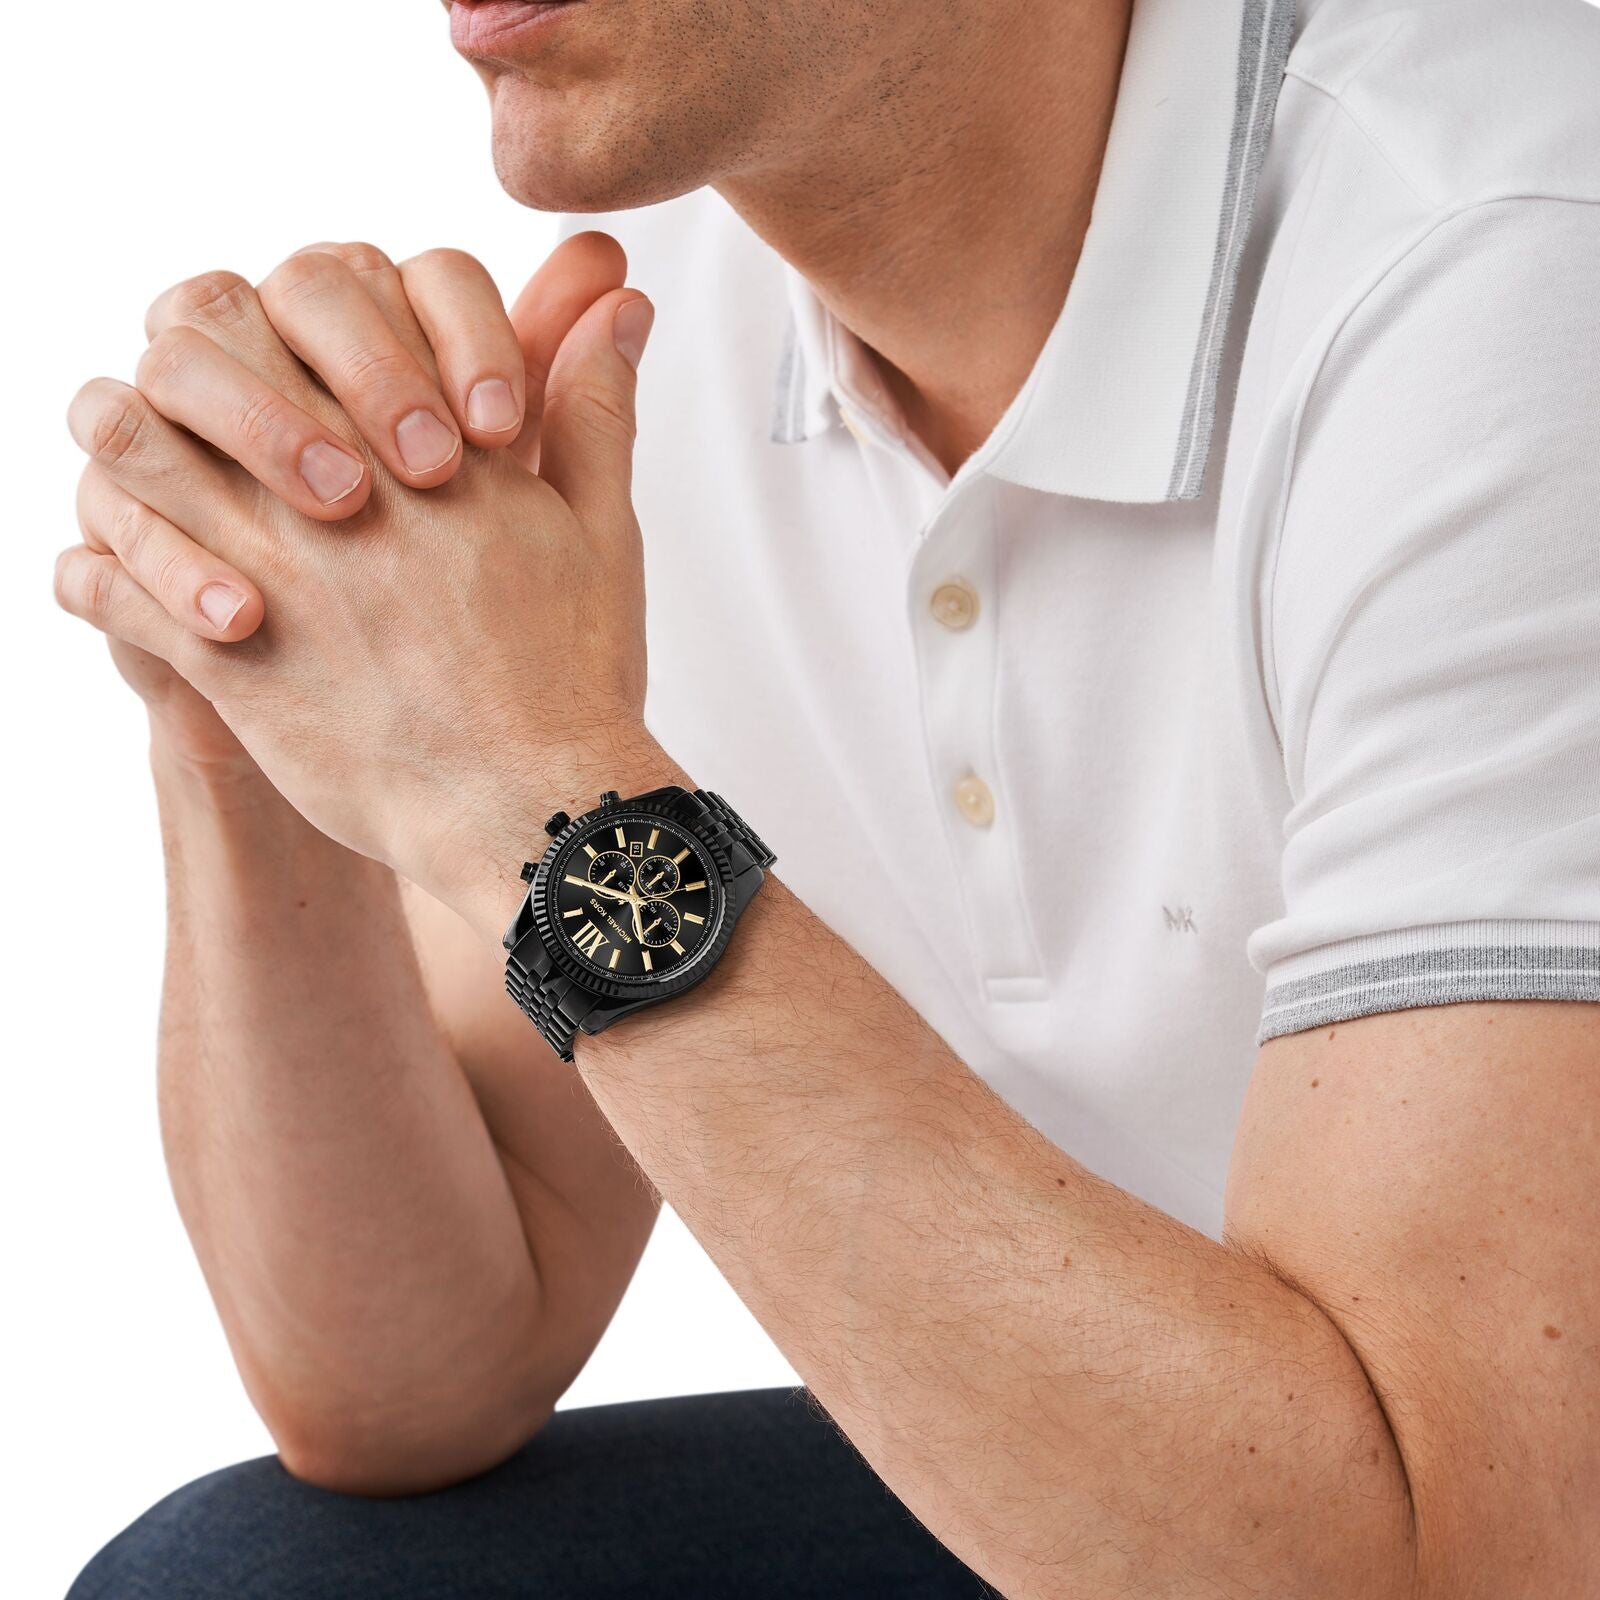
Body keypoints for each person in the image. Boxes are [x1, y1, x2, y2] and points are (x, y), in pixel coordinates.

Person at [58, 0, 1600, 1594]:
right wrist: (250, 706)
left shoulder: (1511, 279)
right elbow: (412, 1380)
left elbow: (1470, 1559)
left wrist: (536, 786)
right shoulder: (664, 325)